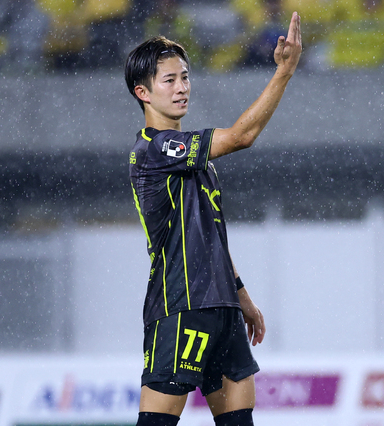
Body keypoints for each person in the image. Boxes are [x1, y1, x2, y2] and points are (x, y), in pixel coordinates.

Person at [124, 11, 302, 426]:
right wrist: (284, 72)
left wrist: (242, 298)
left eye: (185, 77)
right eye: (169, 80)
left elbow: (212, 238)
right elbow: (241, 136)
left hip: (222, 308)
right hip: (181, 306)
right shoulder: (154, 149)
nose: (182, 87)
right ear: (143, 92)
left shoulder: (197, 160)